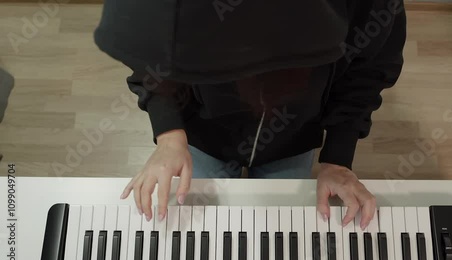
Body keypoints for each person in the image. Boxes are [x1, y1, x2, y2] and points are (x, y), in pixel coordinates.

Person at [93, 0, 407, 229]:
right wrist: (169, 135)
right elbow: (151, 52)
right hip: (203, 134)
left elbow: (369, 68)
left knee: (280, 221)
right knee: (201, 224)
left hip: (294, 137)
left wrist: (339, 158)